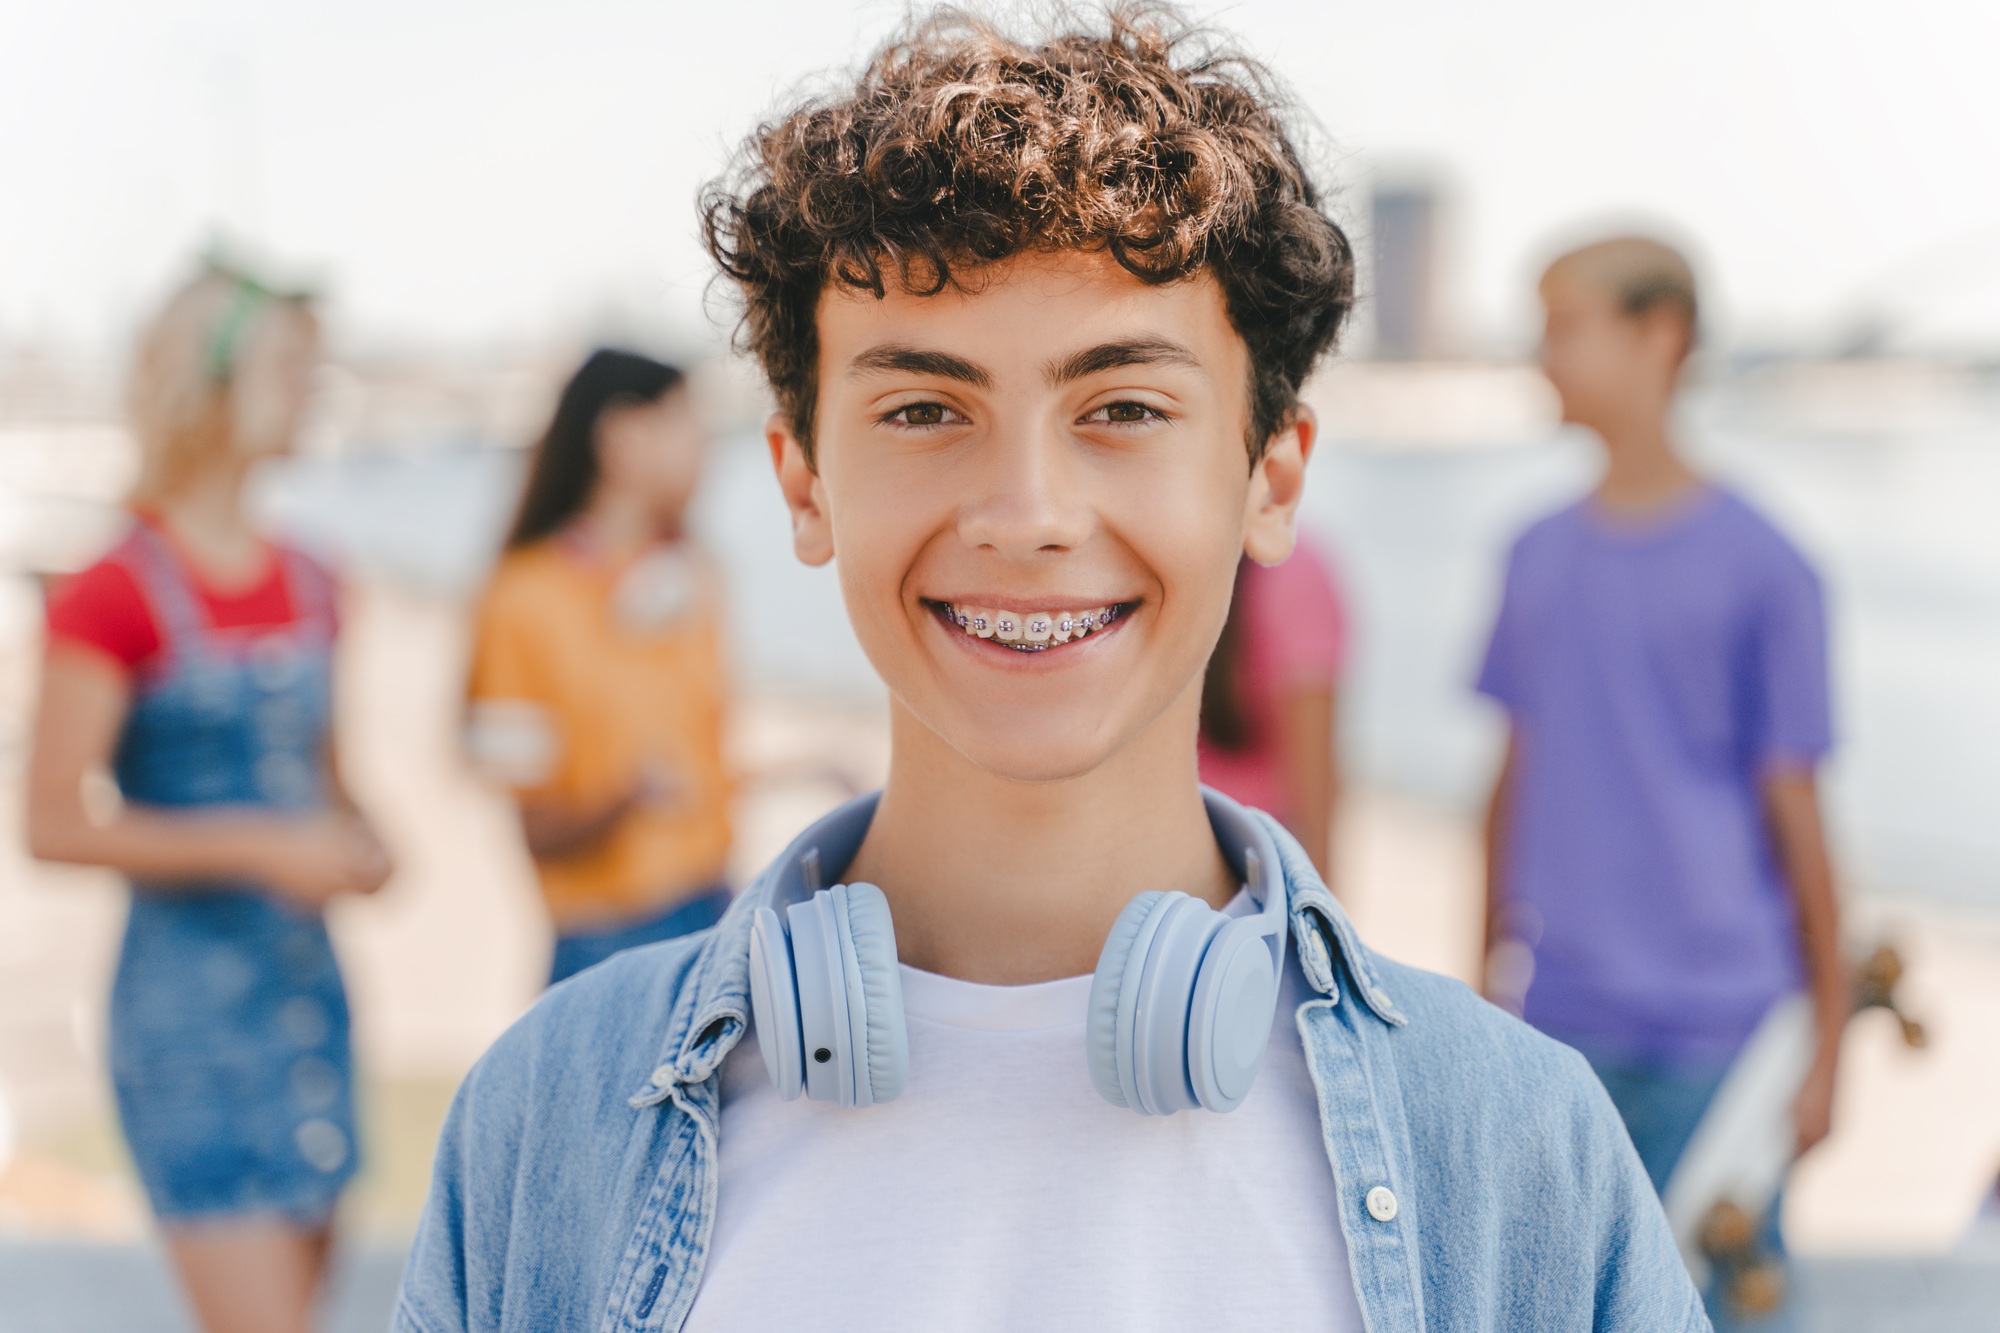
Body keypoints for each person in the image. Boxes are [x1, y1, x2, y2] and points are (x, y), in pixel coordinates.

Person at [396, 11, 1705, 1331]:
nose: (1026, 513)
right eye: (923, 409)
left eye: (1123, 407)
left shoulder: (1522, 1150)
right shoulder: (539, 1121)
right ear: (802, 481)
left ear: (1273, 475)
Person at [1478, 236, 1843, 1326]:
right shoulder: (1533, 552)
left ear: (1658, 336)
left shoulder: (1767, 565)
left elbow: (1800, 818)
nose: (1539, 356)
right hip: (1556, 1024)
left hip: (1722, 1038)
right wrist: (1479, 1000)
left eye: (1562, 327)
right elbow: (1505, 789)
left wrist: (1826, 1043)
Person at [26, 260, 392, 1333]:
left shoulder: (321, 577)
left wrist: (369, 846)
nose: (312, 388)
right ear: (210, 381)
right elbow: (51, 825)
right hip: (187, 1025)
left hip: (311, 1003)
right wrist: (262, 848)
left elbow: (337, 790)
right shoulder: (112, 591)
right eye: (289, 366)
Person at [464, 350, 733, 986]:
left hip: (716, 909)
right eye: (682, 423)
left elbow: (704, 763)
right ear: (621, 438)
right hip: (602, 947)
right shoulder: (519, 601)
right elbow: (533, 827)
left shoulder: (692, 577)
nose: (704, 446)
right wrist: (626, 798)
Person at [1197, 537, 1348, 883]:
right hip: (1253, 869)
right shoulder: (1297, 572)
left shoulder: (1162, 554)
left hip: (1169, 870)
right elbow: (1315, 786)